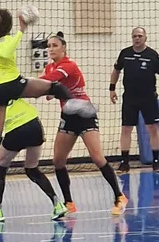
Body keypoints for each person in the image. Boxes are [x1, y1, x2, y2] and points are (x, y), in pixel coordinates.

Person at [0, 8, 94, 177]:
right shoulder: (5, 41)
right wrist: (21, 29)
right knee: (54, 87)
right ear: (8, 26)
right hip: (10, 84)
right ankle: (74, 105)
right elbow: (6, 52)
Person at [42, 33, 127, 216]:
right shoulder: (50, 67)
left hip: (84, 113)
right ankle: (69, 203)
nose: (51, 49)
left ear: (64, 48)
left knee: (97, 158)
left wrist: (22, 85)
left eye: (55, 45)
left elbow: (47, 81)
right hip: (68, 115)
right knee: (58, 160)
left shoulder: (68, 65)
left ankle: (119, 196)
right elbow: (48, 90)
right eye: (49, 46)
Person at [0, 89, 68, 221]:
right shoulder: (8, 84)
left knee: (0, 169)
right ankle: (58, 204)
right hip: (34, 124)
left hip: (16, 129)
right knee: (32, 169)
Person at [109, 27, 159, 173]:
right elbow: (116, 71)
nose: (137, 38)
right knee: (126, 129)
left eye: (140, 36)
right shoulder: (125, 53)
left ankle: (156, 161)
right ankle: (125, 162)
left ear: (145, 38)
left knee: (152, 128)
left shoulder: (152, 55)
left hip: (148, 98)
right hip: (130, 98)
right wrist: (112, 88)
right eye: (134, 36)